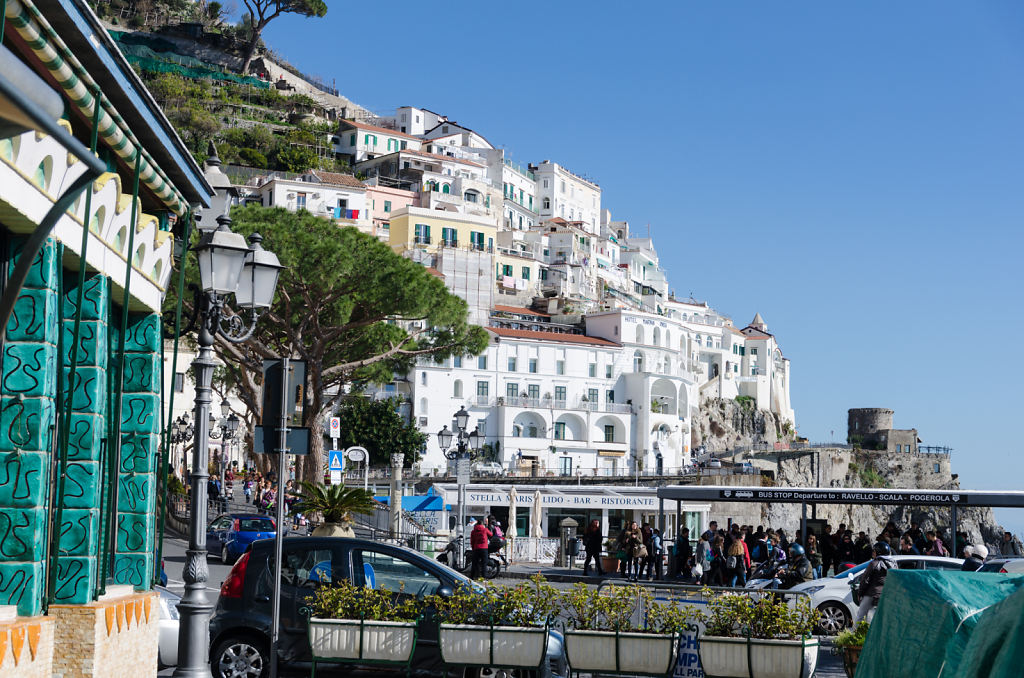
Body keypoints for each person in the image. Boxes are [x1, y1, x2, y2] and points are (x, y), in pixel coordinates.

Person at [855, 542, 896, 623]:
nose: (873, 553)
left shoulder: (874, 563)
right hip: (886, 595)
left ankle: (856, 633)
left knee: (860, 616)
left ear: (879, 552)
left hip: (872, 594)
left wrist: (860, 593)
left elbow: (865, 580)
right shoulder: (894, 564)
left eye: (874, 551)